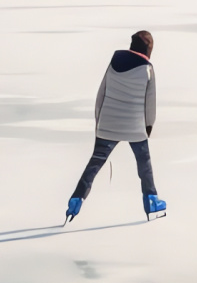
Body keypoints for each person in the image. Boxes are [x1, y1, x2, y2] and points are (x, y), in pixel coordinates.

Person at [66, 30, 166, 222]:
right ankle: (151, 200)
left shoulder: (114, 60)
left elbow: (101, 93)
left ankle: (76, 200)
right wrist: (148, 127)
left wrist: (99, 122)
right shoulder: (148, 69)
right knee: (144, 164)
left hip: (107, 124)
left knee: (93, 166)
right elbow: (150, 104)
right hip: (135, 127)